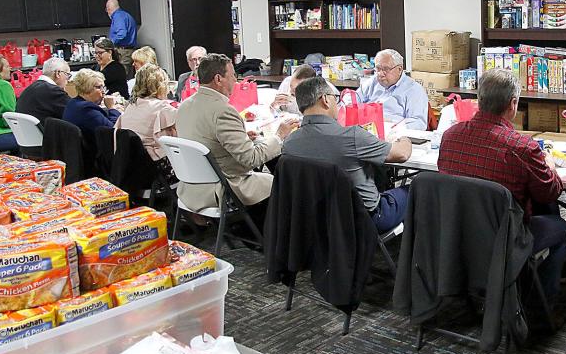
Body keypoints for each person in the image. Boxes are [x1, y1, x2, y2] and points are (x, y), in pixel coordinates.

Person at [437, 68, 566, 318]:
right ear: (513, 103)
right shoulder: (522, 147)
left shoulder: (449, 136)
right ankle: (538, 312)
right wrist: (549, 166)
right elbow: (549, 193)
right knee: (560, 228)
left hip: (455, 235)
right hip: (504, 241)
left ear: (479, 100)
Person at [175, 53, 299, 223]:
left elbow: (206, 137)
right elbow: (251, 159)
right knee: (285, 182)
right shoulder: (222, 111)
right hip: (224, 186)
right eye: (233, 75)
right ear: (218, 79)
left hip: (191, 185)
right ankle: (278, 236)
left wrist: (241, 136)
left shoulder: (185, 105)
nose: (236, 80)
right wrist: (279, 136)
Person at [283, 76, 413, 232]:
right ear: (325, 99)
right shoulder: (352, 136)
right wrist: (403, 137)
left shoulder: (289, 143)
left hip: (318, 218)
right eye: (335, 98)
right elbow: (402, 154)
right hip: (365, 218)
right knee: (419, 188)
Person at [116, 64, 179, 184]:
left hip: (132, 169)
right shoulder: (163, 108)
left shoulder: (130, 107)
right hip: (156, 171)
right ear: (161, 85)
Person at [356, 49, 429, 131]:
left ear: (400, 69)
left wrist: (392, 126)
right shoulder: (373, 82)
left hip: (393, 134)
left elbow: (419, 123)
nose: (380, 74)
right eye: (378, 69)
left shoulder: (414, 90)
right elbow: (354, 97)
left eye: (386, 69)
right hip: (364, 130)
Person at [62, 68, 122, 143]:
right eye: (99, 87)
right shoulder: (87, 109)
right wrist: (112, 108)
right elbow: (113, 131)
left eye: (103, 87)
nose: (103, 92)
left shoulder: (73, 103)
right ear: (87, 88)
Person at [16, 57, 71, 125]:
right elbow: (74, 112)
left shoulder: (31, 88)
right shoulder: (53, 92)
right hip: (47, 134)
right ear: (58, 73)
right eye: (67, 75)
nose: (68, 80)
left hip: (26, 134)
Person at [106, 0, 137, 77]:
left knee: (121, 77)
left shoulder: (117, 16)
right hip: (128, 51)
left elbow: (121, 34)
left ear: (108, 9)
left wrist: (109, 44)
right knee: (127, 77)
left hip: (123, 52)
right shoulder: (125, 15)